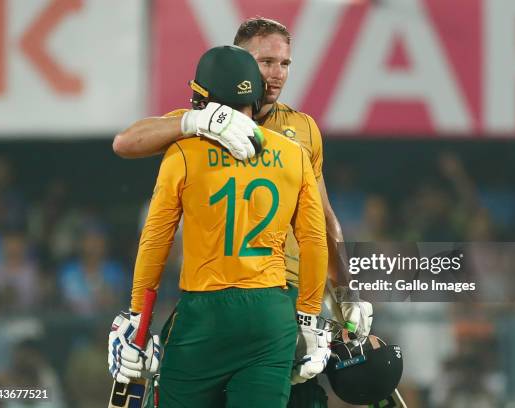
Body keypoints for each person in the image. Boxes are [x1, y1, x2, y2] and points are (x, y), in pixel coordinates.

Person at [112, 18, 374, 406]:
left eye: (284, 63)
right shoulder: (199, 123)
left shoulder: (302, 128)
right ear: (241, 63)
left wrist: (346, 290)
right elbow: (126, 141)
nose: (276, 74)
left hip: (278, 291)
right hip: (252, 301)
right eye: (265, 62)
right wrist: (192, 120)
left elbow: (324, 215)